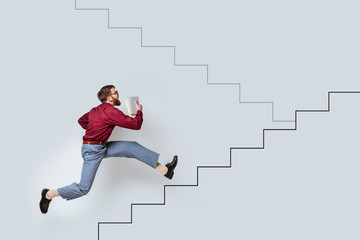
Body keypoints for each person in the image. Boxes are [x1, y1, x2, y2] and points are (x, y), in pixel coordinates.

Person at [39, 85, 178, 214]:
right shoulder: (111, 111)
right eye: (115, 92)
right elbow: (136, 125)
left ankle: (166, 171)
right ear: (109, 98)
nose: (118, 94)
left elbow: (81, 121)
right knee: (83, 188)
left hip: (100, 146)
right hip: (92, 150)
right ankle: (48, 194)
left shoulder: (95, 110)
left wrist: (95, 129)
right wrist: (139, 111)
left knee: (131, 147)